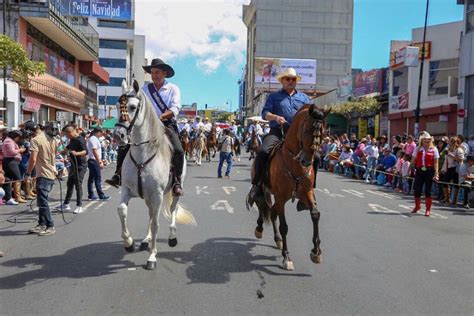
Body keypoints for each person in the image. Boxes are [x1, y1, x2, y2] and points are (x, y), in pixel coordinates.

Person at [106, 58, 186, 196]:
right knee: (124, 145)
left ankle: (177, 182)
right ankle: (118, 175)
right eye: (153, 72)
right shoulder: (144, 89)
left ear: (165, 73)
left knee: (178, 150)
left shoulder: (173, 88)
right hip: (147, 125)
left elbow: (175, 109)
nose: (155, 75)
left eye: (158, 72)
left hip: (167, 123)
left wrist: (159, 117)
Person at [249, 67, 310, 198]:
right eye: (287, 79)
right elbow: (265, 113)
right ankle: (257, 185)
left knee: (314, 156)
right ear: (282, 81)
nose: (290, 81)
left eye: (293, 79)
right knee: (263, 152)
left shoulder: (304, 98)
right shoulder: (274, 97)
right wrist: (275, 117)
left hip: (298, 136)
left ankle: (309, 188)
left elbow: (311, 115)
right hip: (277, 132)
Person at [26, 122, 60, 236]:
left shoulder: (35, 140)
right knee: (41, 201)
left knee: (43, 202)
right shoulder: (54, 140)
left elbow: (33, 159)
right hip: (51, 173)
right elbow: (55, 155)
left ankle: (50, 226)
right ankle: (41, 224)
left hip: (43, 174)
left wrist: (28, 174)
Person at [56, 125, 88, 214]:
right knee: (69, 184)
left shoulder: (80, 139)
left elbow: (85, 151)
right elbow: (68, 147)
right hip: (73, 165)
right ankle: (66, 204)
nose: (67, 137)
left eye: (67, 135)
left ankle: (79, 205)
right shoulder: (72, 140)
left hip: (80, 165)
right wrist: (60, 152)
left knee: (78, 184)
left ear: (70, 132)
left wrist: (76, 153)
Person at [410, 131, 440, 217]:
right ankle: (417, 206)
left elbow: (436, 163)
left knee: (428, 190)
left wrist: (436, 173)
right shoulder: (418, 148)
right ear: (422, 141)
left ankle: (428, 209)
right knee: (417, 189)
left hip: (429, 171)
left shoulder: (434, 149)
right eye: (425, 140)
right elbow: (413, 159)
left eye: (428, 140)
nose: (426, 142)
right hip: (420, 170)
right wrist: (411, 167)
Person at [2, 130, 27, 203]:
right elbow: (12, 152)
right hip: (11, 161)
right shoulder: (9, 141)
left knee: (8, 179)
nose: (19, 139)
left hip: (12, 161)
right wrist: (20, 150)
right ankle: (17, 196)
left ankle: (9, 197)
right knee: (17, 178)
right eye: (18, 137)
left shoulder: (9, 141)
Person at [87, 127, 110, 201]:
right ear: (98, 132)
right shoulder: (93, 139)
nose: (101, 134)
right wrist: (99, 161)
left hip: (93, 160)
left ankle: (91, 194)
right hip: (94, 160)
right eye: (101, 132)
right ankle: (101, 195)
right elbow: (94, 150)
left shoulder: (94, 138)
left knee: (91, 179)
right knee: (97, 179)